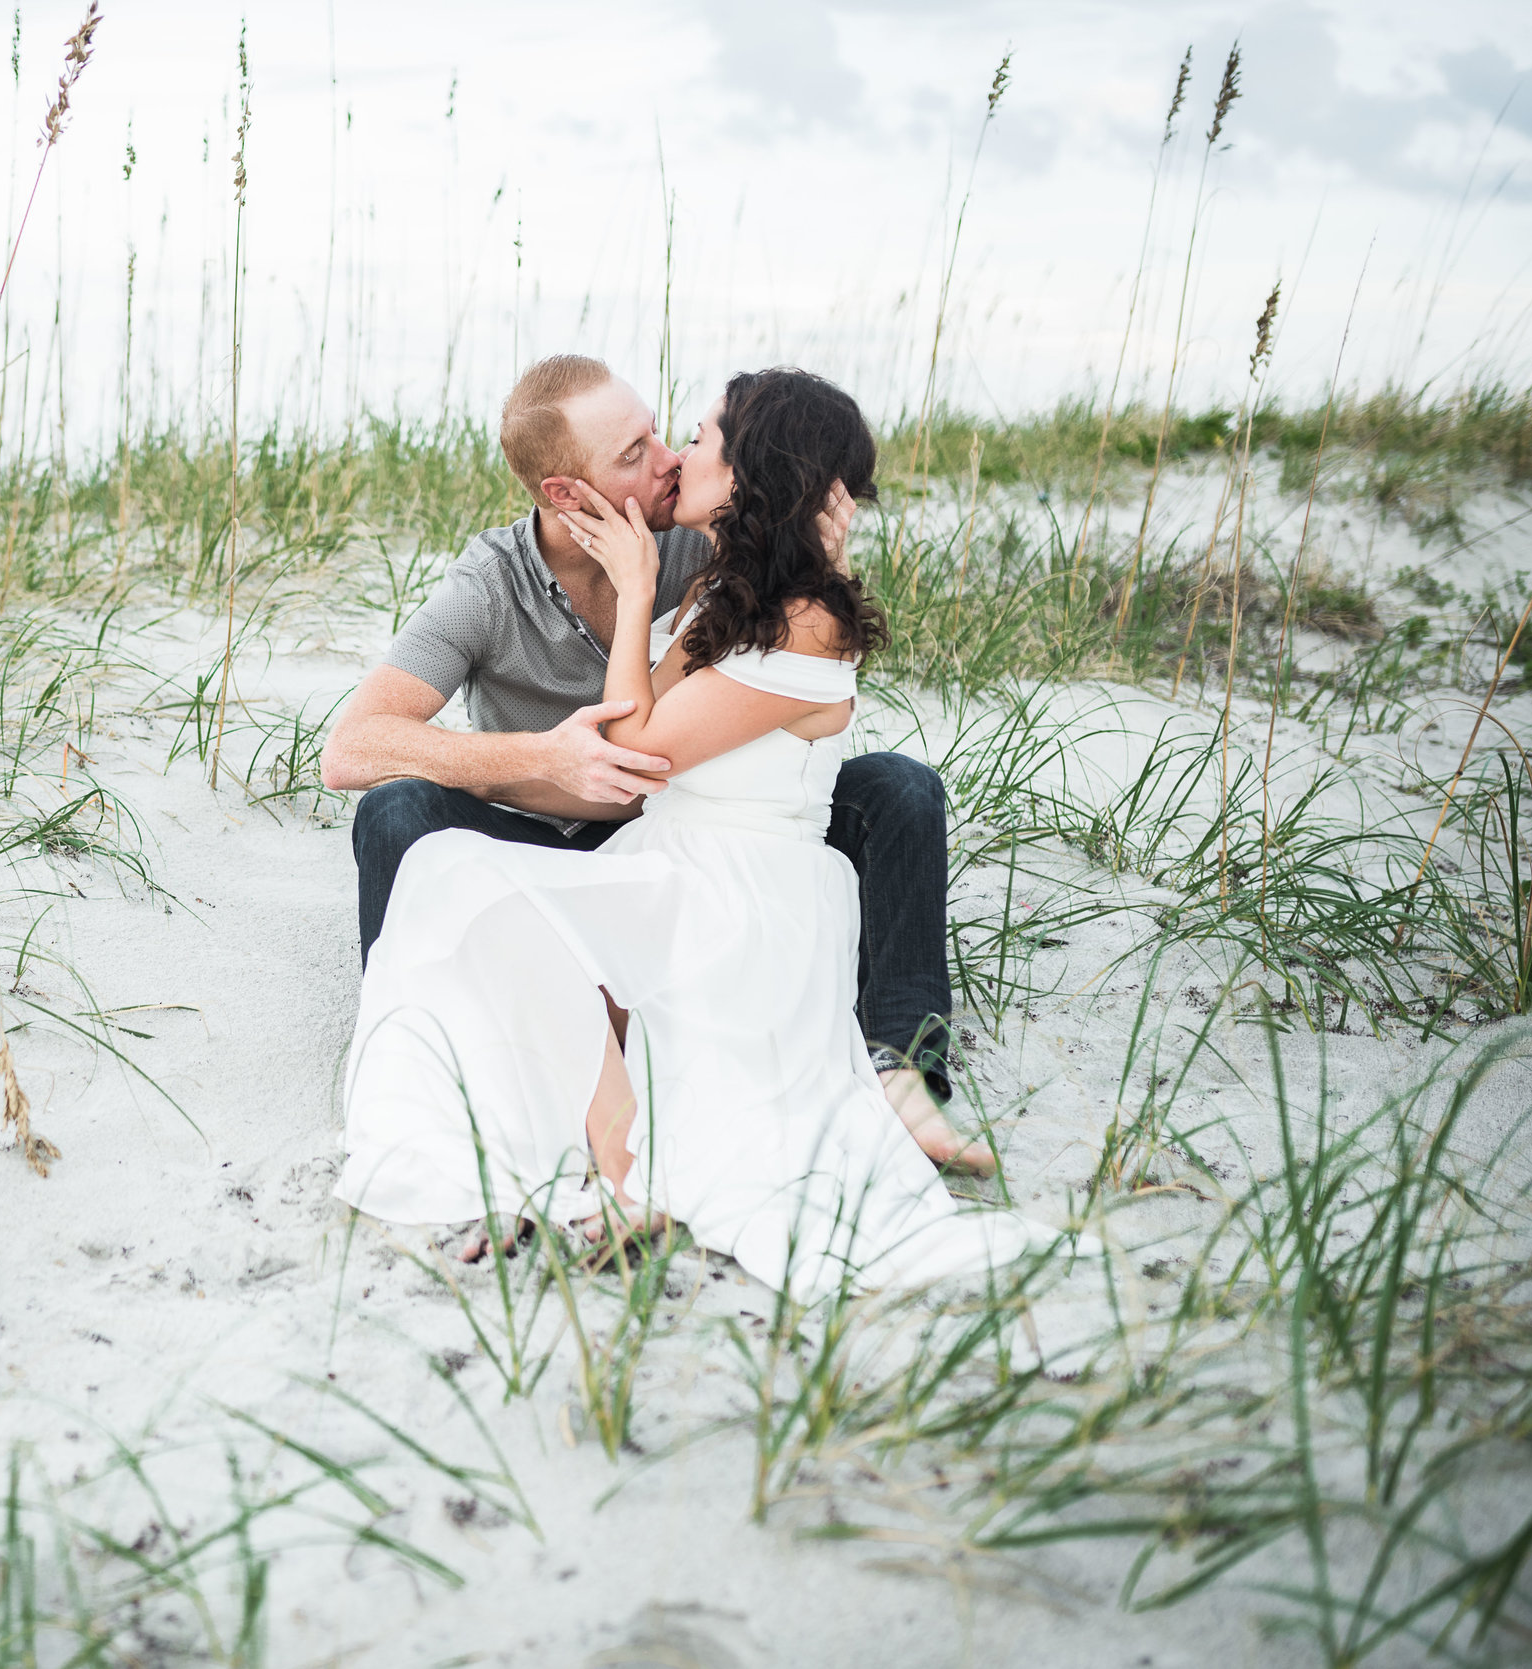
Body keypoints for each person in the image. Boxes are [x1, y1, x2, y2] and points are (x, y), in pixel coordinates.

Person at [330, 368, 1042, 1294]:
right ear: (565, 492)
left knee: (899, 789)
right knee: (399, 811)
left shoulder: (690, 541)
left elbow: (788, 543)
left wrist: (812, 518)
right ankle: (436, 1042)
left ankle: (905, 1064)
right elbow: (352, 747)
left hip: (699, 824)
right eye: (636, 454)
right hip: (559, 832)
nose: (669, 463)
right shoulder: (490, 586)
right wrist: (542, 761)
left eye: (671, 436)